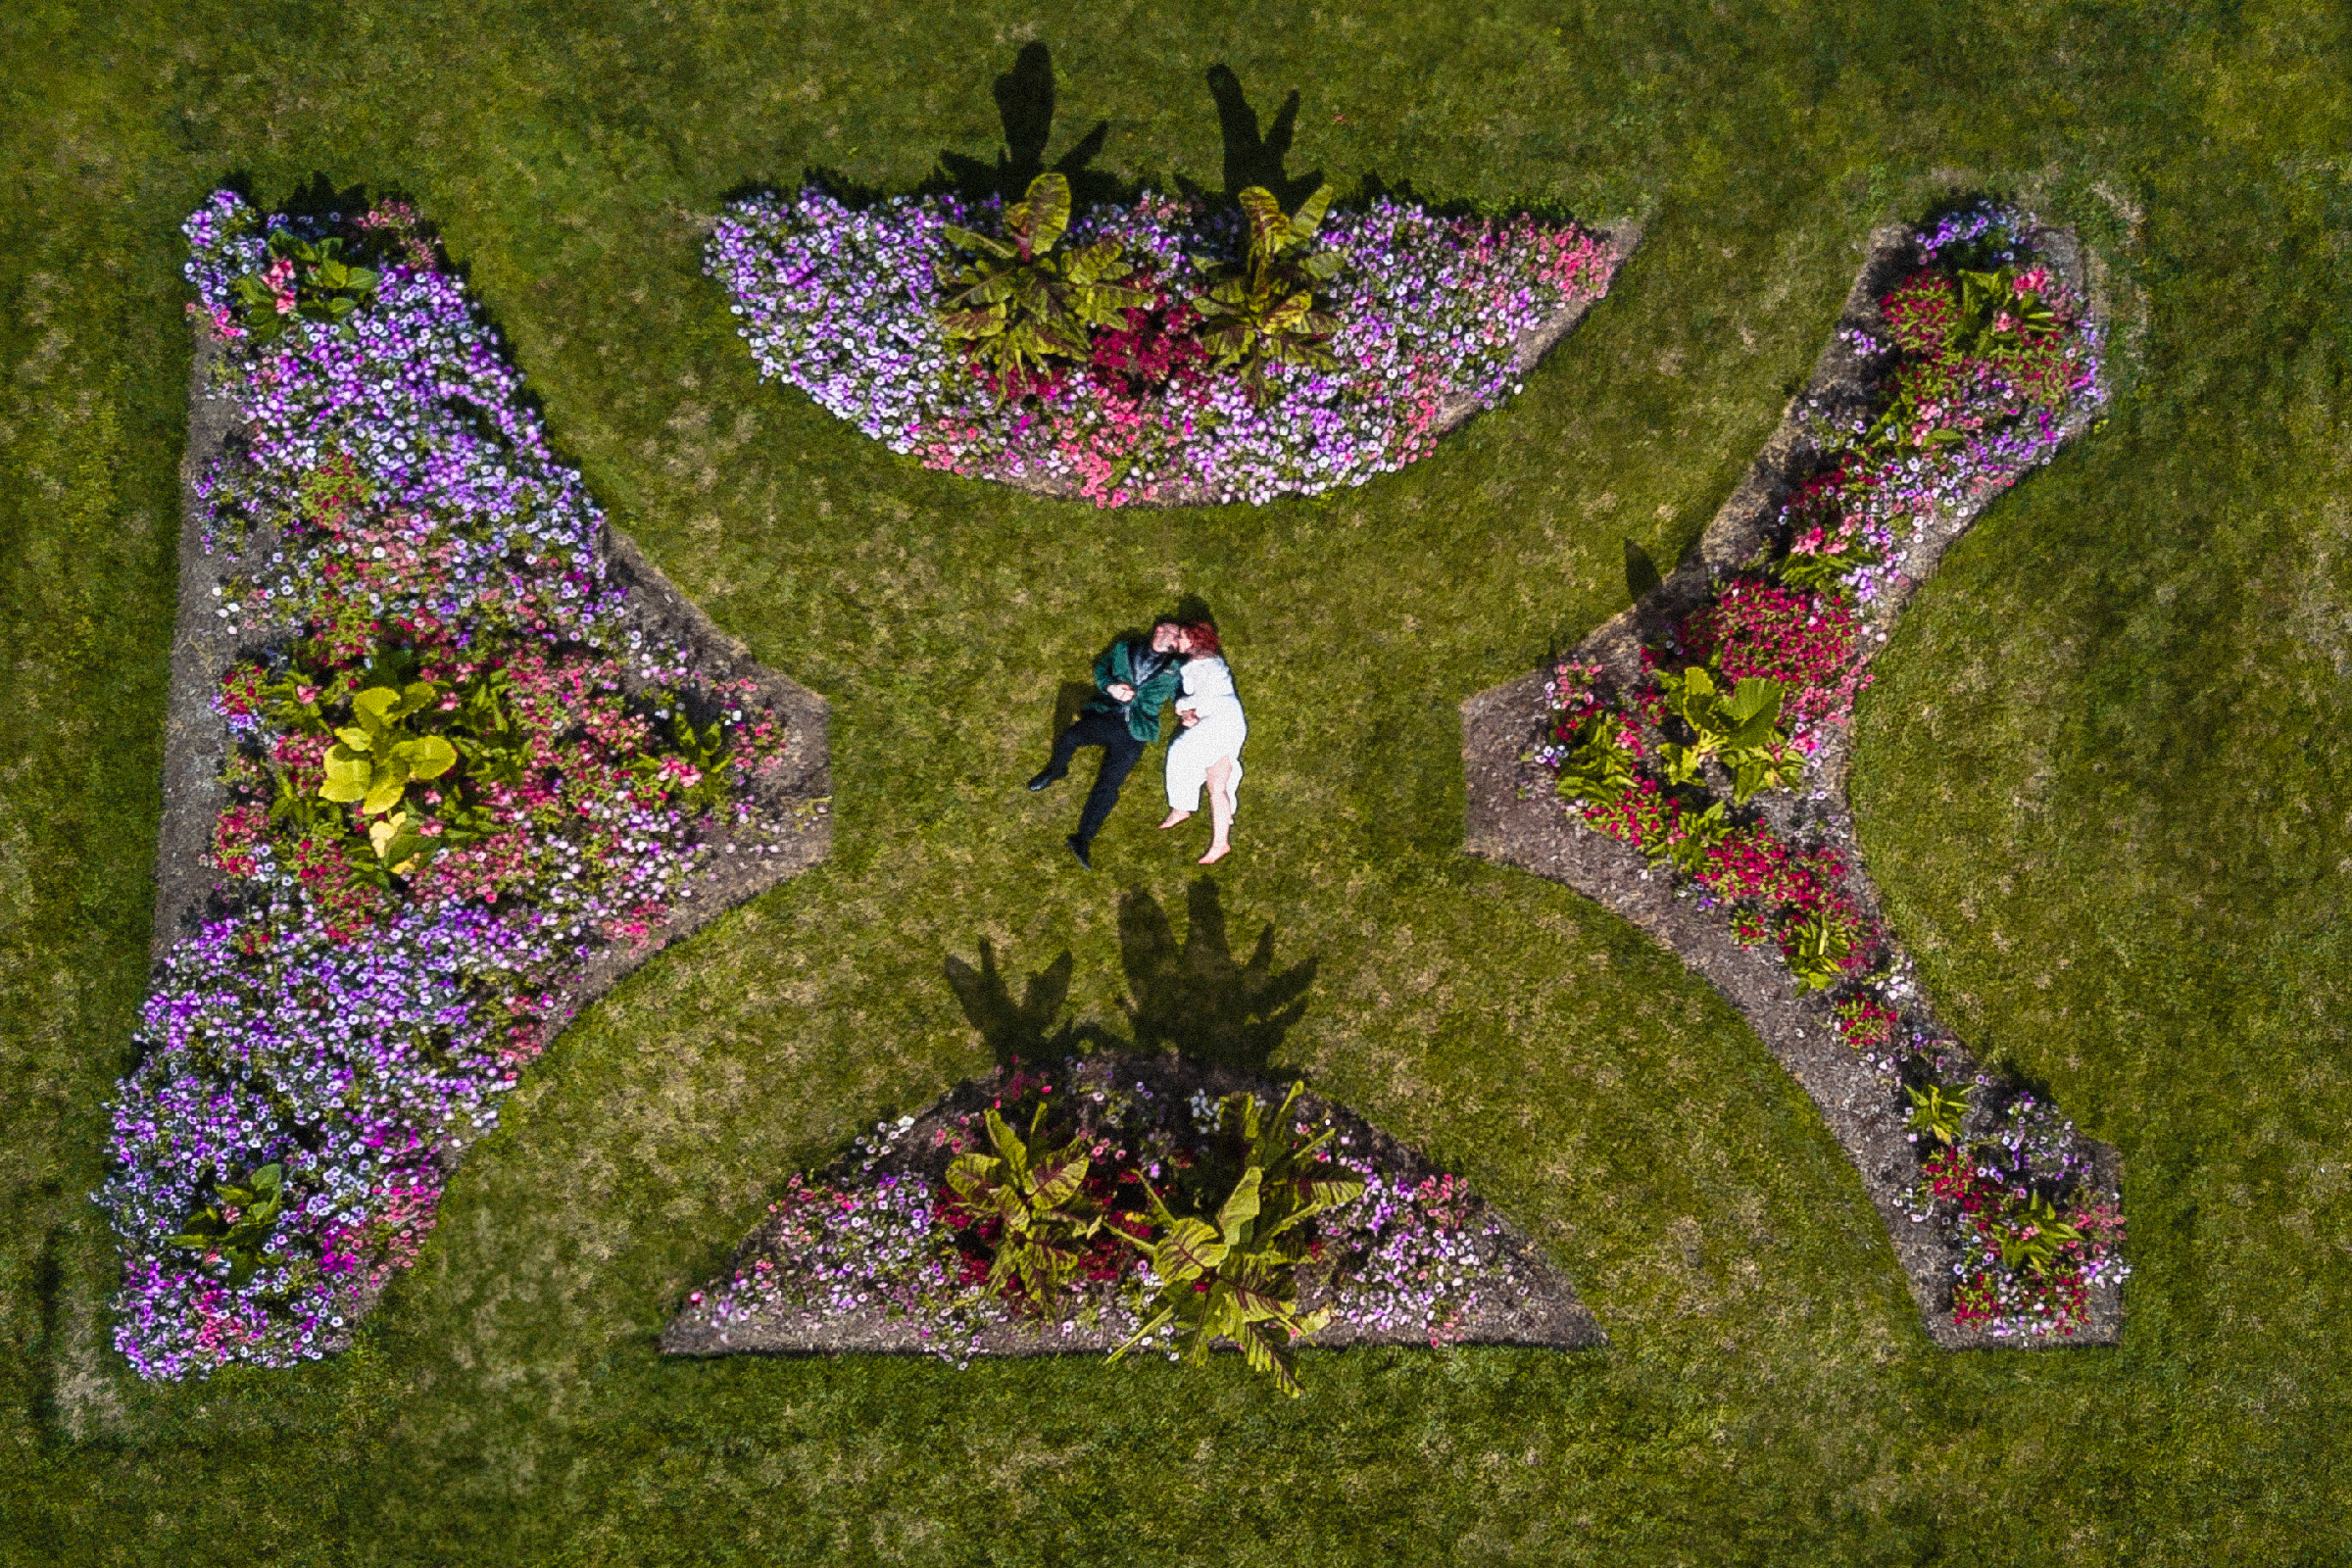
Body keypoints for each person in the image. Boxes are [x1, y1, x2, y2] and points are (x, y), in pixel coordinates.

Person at [1028, 618, 1183, 869]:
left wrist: (1186, 711)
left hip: (1136, 731)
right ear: (1159, 631)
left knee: (1109, 785)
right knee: (1073, 735)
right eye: (1175, 635)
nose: (1177, 642)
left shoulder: (1175, 668)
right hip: (1109, 716)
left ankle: (1082, 839)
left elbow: (1182, 694)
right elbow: (1101, 669)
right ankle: (1057, 770)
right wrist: (1111, 687)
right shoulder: (1124, 649)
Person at [1156, 622, 1246, 864]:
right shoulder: (1205, 663)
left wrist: (1181, 707)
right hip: (1224, 720)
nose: (1179, 643)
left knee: (1180, 751)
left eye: (1184, 638)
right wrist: (1192, 715)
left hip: (1222, 720)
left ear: (1195, 641)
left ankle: (1182, 806)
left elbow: (1204, 696)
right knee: (1217, 785)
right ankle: (1220, 843)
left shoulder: (1203, 666)